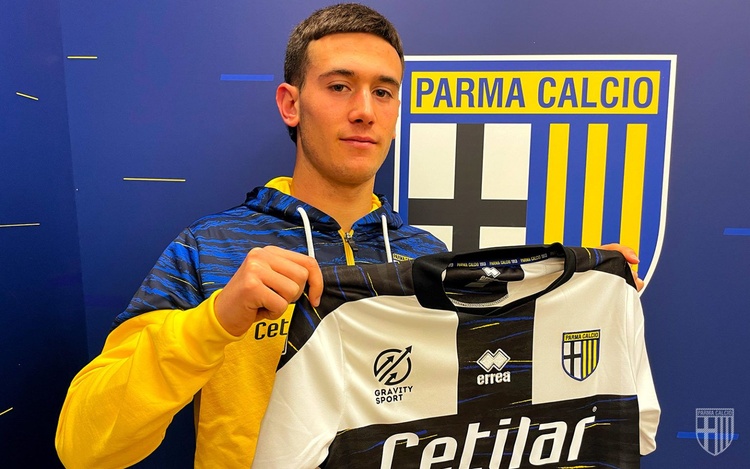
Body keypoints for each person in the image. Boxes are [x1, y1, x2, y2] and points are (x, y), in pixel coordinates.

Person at [55, 3, 643, 468]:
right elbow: (84, 447)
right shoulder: (208, 249)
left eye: (383, 91)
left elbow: (486, 407)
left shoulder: (426, 257)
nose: (365, 110)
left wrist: (583, 293)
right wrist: (215, 321)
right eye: (339, 86)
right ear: (291, 104)